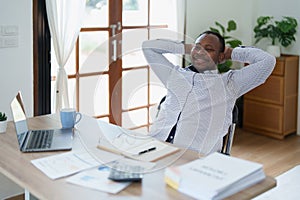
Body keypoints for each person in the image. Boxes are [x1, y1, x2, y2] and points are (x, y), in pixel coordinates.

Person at [142, 31, 276, 155]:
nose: (201, 53)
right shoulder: (174, 74)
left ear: (221, 56)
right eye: (198, 47)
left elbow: (267, 61)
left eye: (209, 49)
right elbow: (148, 47)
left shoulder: (229, 84)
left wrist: (230, 52)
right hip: (155, 148)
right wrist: (188, 48)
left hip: (194, 157)